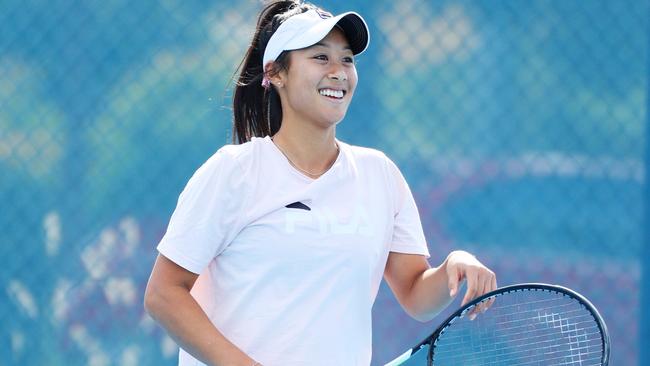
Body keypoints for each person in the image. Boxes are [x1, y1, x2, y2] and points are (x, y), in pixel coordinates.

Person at [144, 1, 497, 365]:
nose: (338, 72)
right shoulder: (233, 172)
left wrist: (454, 266)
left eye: (347, 59)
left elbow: (415, 293)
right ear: (276, 73)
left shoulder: (380, 175)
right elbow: (164, 294)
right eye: (320, 58)